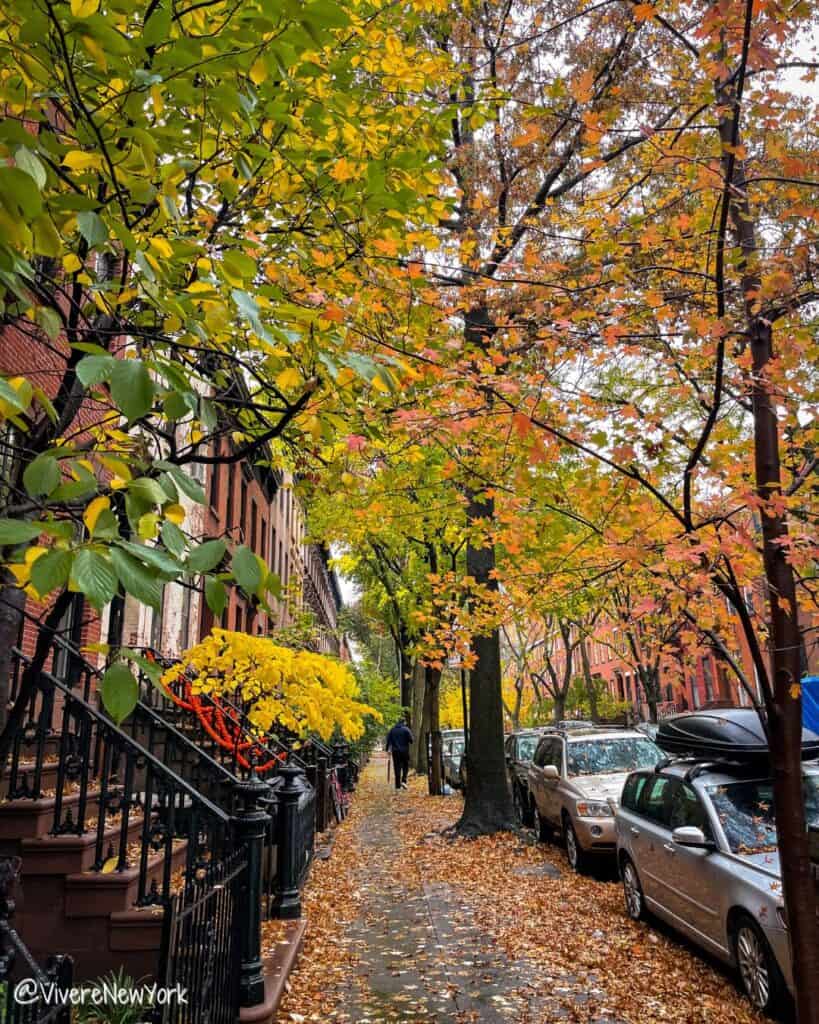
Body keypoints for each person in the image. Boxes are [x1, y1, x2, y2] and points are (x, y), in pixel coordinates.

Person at [385, 718, 413, 790]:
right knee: (405, 766)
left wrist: (387, 749)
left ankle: (397, 785)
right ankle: (404, 781)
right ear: (404, 722)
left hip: (395, 751)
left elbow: (388, 740)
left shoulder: (392, 730)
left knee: (397, 767)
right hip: (405, 751)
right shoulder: (406, 729)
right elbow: (411, 740)